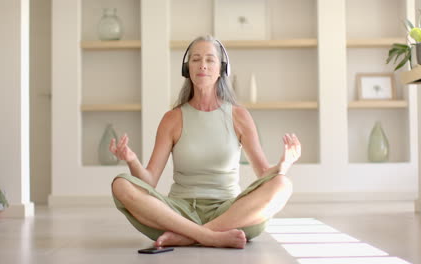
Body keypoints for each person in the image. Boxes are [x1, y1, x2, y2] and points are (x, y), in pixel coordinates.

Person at [110, 35, 301, 249]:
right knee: (121, 184)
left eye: (210, 60)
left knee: (283, 183)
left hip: (228, 211)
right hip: (178, 212)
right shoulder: (172, 118)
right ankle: (210, 236)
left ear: (221, 69)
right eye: (196, 59)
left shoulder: (239, 116)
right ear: (187, 69)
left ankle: (189, 236)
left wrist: (283, 165)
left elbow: (264, 173)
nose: (203, 65)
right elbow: (149, 181)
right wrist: (131, 159)